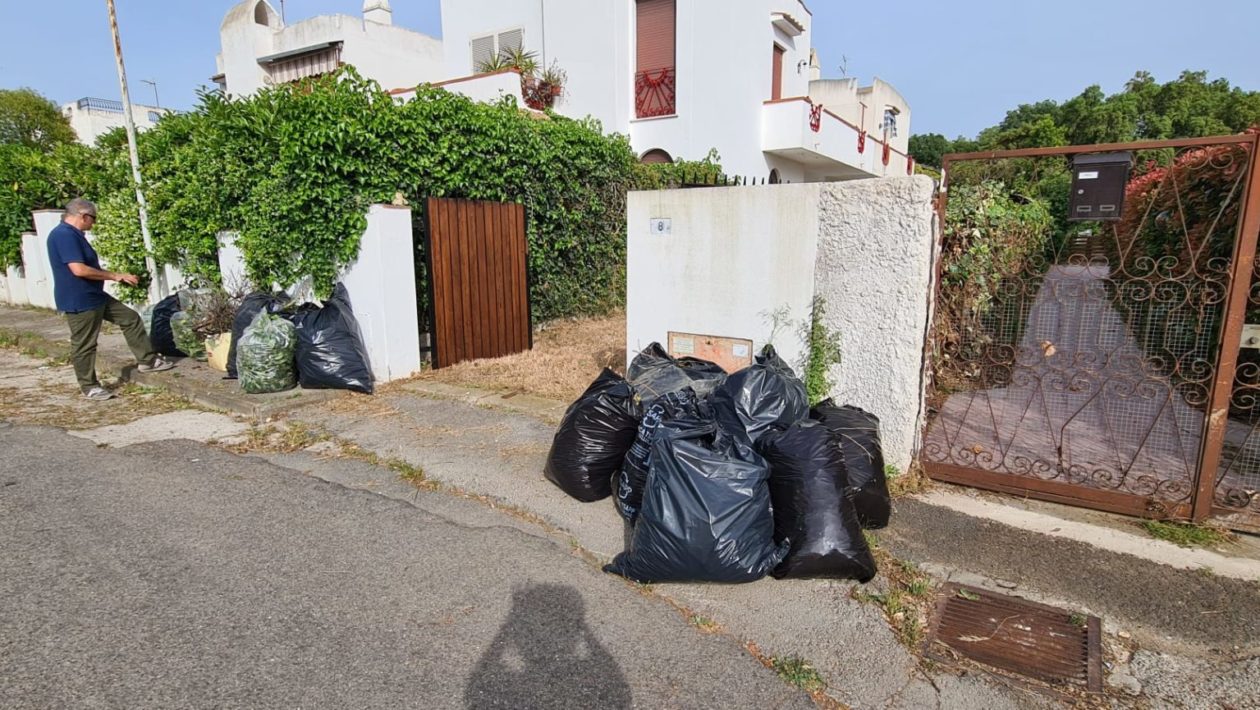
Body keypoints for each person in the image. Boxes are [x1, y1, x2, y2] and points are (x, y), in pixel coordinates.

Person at [46, 197, 174, 401]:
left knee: (130, 318)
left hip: (94, 295)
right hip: (79, 299)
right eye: (93, 219)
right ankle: (89, 386)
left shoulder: (73, 234)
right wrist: (115, 275)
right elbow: (78, 270)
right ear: (83, 215)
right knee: (85, 344)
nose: (94, 224)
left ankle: (147, 361)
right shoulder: (63, 235)